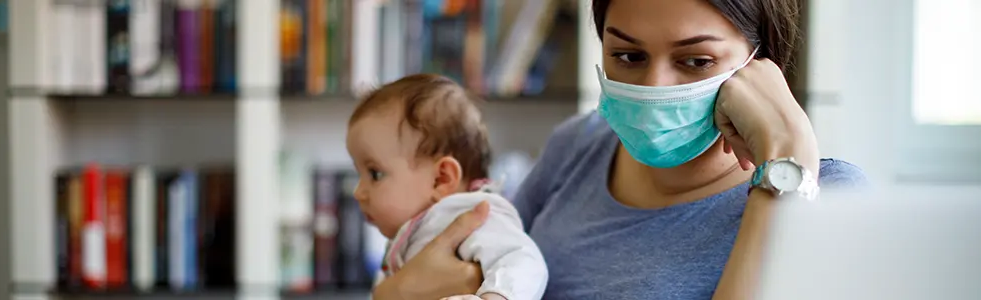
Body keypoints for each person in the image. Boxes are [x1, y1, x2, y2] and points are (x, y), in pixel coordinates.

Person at [371, 0, 870, 299]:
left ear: (764, 63)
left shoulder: (832, 197)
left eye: (695, 61)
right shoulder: (578, 146)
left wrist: (784, 164)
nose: (653, 85)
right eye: (628, 56)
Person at [346, 74, 549, 300]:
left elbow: (523, 259)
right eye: (359, 174)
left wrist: (495, 297)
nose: (358, 192)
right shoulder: (405, 237)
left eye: (375, 174)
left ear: (441, 179)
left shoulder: (473, 216)